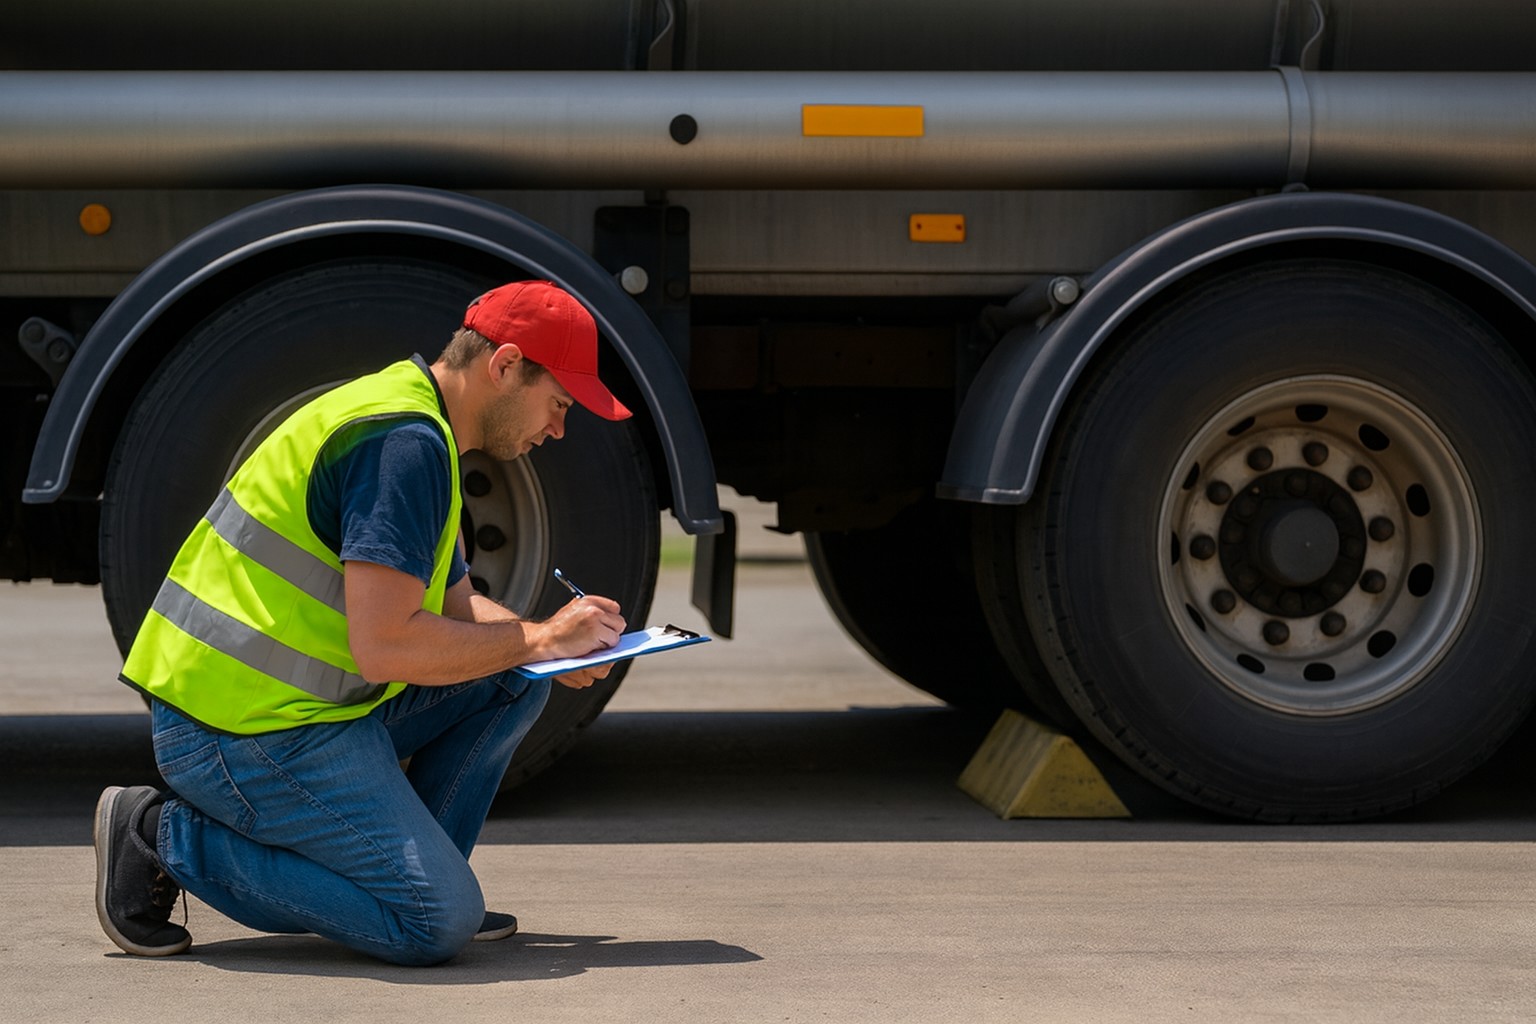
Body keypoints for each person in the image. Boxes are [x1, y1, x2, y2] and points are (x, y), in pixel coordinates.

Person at [93, 279, 632, 965]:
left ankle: (418, 877)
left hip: (301, 710)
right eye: (558, 403)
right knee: (435, 924)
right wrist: (540, 637)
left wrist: (550, 646)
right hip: (235, 731)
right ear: (504, 366)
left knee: (518, 677)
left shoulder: (422, 424)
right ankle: (163, 837)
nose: (559, 428)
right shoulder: (402, 444)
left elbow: (456, 603)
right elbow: (386, 646)